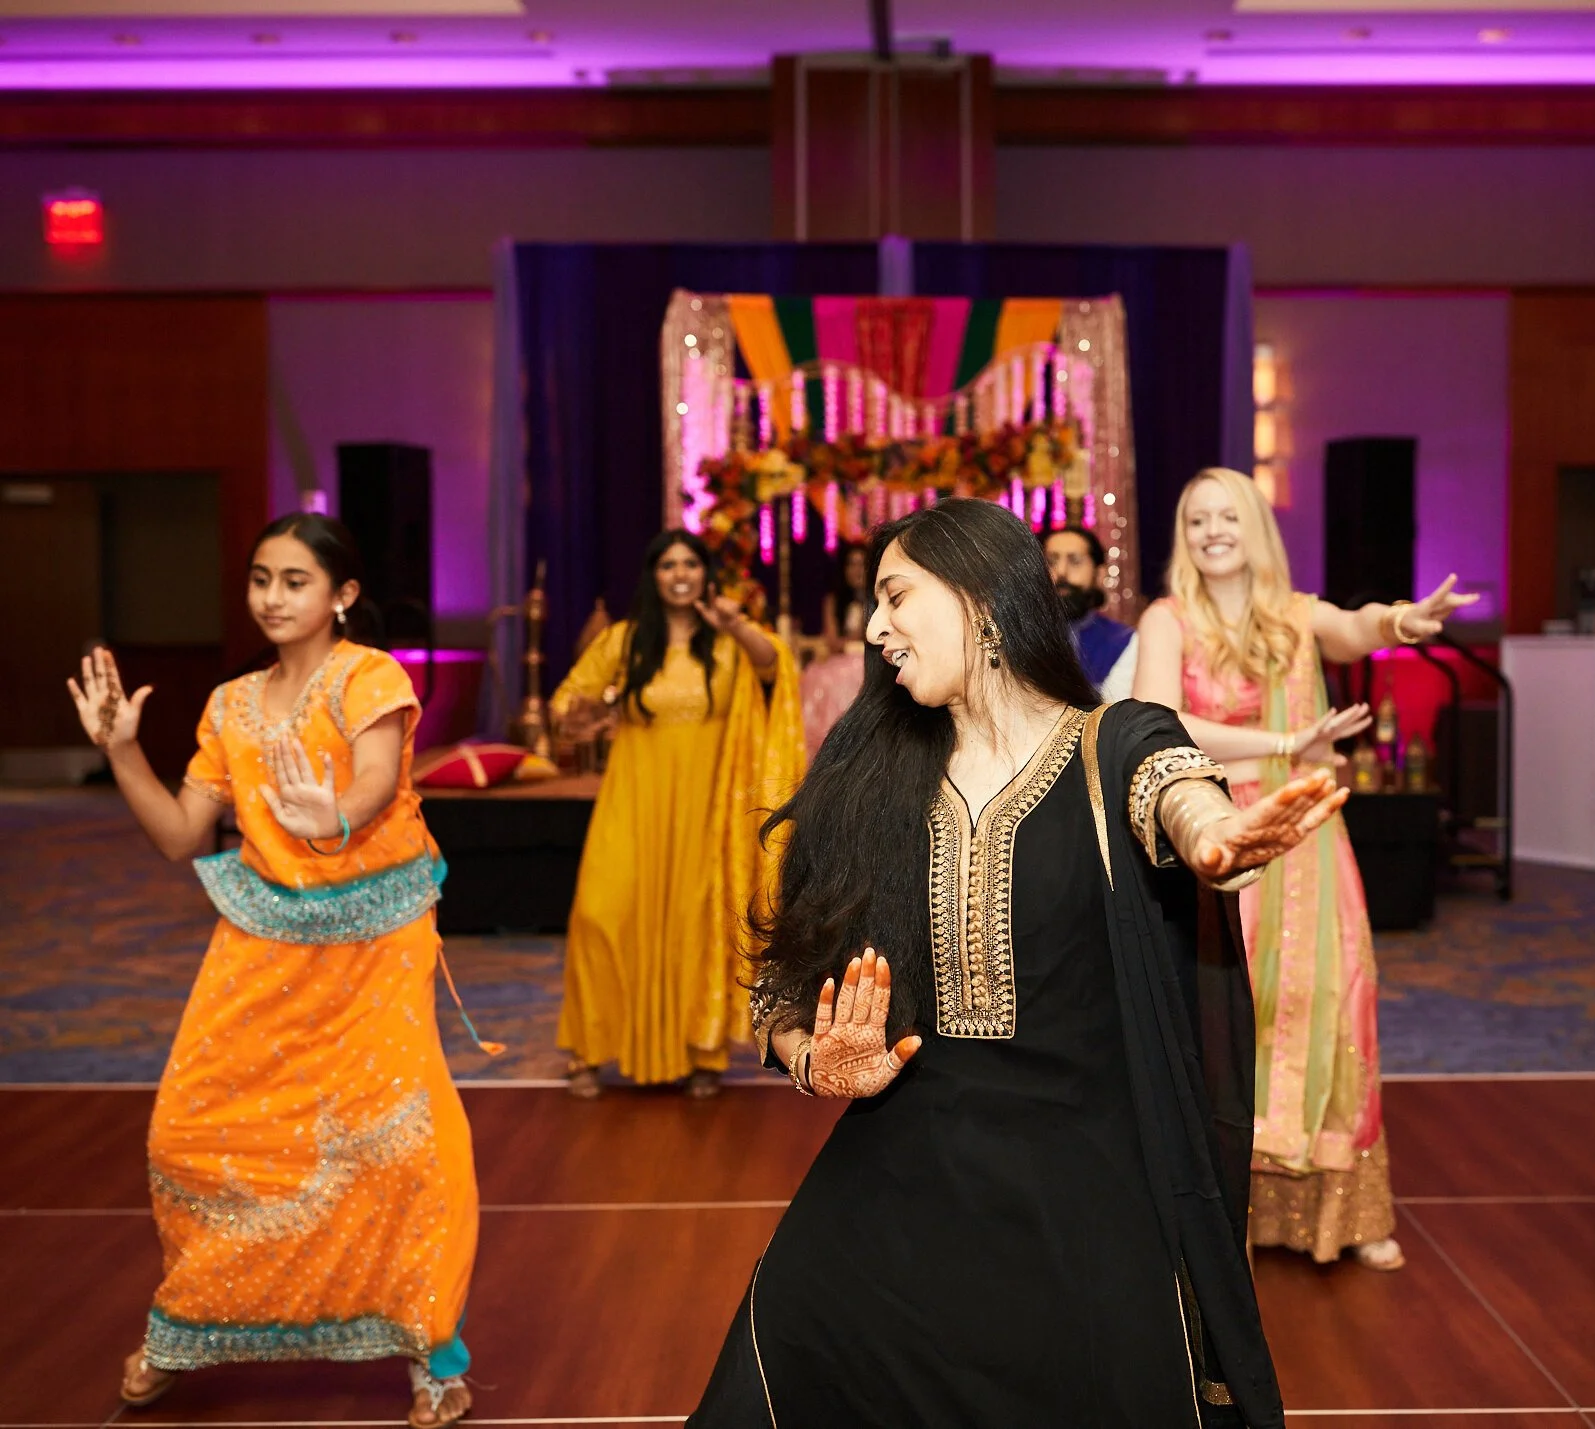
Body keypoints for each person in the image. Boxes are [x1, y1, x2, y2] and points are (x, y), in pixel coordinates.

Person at [689, 498, 1347, 1428]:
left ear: (981, 597)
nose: (874, 628)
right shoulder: (870, 769)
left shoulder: (1111, 743)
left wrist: (1216, 838)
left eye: (895, 596)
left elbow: (1173, 787)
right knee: (785, 1353)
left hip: (1088, 1180)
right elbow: (783, 978)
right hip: (906, 1159)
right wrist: (809, 1059)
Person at [68, 513, 480, 1428]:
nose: (272, 596)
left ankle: (429, 1352)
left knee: (400, 1142)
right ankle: (189, 1324)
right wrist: (120, 749)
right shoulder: (229, 704)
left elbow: (376, 779)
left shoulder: (369, 676)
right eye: (261, 578)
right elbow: (180, 834)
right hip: (261, 943)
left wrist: (333, 812)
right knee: (188, 1132)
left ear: (343, 595)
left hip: (376, 945)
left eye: (295, 580)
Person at [1132, 466, 1477, 1272]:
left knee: (1330, 998)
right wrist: (1285, 743)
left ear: (1256, 527)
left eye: (1228, 516)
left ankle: (1342, 1211)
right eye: (1197, 520)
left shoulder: (1294, 615)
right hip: (1216, 833)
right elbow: (1154, 721)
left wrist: (1403, 619)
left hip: (1307, 835)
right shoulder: (1166, 619)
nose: (1213, 531)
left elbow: (1354, 629)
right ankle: (1217, 1215)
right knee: (1226, 1013)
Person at [553, 530, 804, 1098]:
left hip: (704, 810)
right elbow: (567, 700)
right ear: (653, 576)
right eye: (668, 565)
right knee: (601, 914)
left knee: (695, 925)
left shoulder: (727, 643)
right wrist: (583, 711)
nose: (680, 574)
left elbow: (774, 667)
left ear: (705, 574)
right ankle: (589, 1048)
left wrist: (735, 624)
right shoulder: (624, 640)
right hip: (632, 801)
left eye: (690, 563)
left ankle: (701, 1052)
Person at [1043, 525, 1138, 700]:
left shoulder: (1123, 641)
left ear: (1099, 574)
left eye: (1075, 561)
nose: (1061, 572)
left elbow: (1116, 710)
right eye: (1051, 561)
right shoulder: (1018, 636)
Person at [801, 541, 871, 756]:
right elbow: (832, 640)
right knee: (823, 679)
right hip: (841, 661)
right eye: (851, 564)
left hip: (869, 658)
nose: (857, 570)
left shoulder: (877, 598)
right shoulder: (834, 600)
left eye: (861, 564)